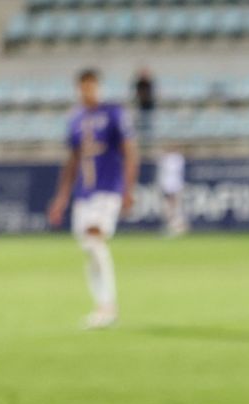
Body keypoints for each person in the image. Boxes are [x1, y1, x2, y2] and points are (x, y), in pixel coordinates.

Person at [46, 69, 136, 331]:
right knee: (88, 245)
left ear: (99, 87)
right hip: (84, 192)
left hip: (108, 188)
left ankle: (108, 307)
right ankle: (101, 305)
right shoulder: (75, 119)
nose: (88, 91)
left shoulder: (114, 113)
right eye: (83, 87)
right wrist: (61, 198)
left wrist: (128, 190)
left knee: (94, 240)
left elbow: (130, 151)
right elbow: (72, 161)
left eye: (92, 86)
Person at [156, 149, 187, 237]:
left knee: (173, 207)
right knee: (168, 208)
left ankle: (177, 226)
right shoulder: (165, 158)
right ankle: (174, 226)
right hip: (167, 185)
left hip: (173, 186)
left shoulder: (176, 158)